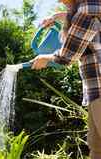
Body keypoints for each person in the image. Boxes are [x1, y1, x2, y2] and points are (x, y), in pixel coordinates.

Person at [31, 0, 101, 158]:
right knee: (96, 146)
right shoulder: (89, 8)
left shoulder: (87, 10)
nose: (60, 1)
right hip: (94, 89)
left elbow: (67, 56)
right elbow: (82, 21)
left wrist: (46, 58)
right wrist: (58, 16)